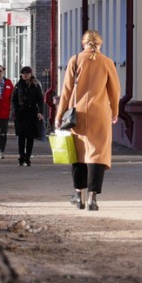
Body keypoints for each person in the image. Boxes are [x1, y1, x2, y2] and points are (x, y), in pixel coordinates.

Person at [55, 30, 121, 211]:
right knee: (97, 155)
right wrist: (114, 112)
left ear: (83, 43)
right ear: (100, 44)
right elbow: (115, 91)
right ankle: (93, 199)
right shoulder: (107, 62)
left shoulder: (75, 60)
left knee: (78, 154)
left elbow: (67, 90)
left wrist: (59, 115)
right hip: (100, 114)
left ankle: (79, 195)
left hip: (78, 114)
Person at [11, 66, 45, 166]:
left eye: (27, 73)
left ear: (30, 74)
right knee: (21, 136)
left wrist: (40, 112)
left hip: (31, 113)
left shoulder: (35, 85)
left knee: (30, 136)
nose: (25, 75)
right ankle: (21, 156)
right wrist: (14, 111)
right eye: (23, 73)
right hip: (20, 113)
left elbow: (40, 99)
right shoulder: (18, 85)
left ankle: (27, 157)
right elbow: (14, 100)